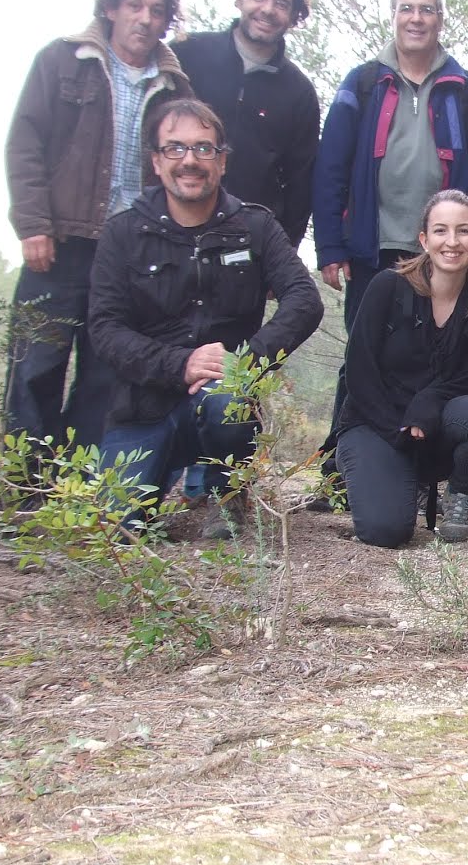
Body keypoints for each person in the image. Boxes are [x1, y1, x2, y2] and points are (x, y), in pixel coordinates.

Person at [88, 100, 324, 538]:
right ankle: (151, 483)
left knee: (227, 403)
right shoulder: (122, 234)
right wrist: (178, 364)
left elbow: (304, 301)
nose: (190, 161)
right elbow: (105, 328)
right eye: (175, 149)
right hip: (144, 403)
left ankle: (226, 493)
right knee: (116, 532)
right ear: (157, 162)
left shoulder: (254, 226)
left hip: (221, 399)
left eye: (203, 149)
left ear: (222, 161)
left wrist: (245, 364)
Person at [310, 0, 468, 509]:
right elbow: (332, 167)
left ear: (441, 19)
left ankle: (417, 465)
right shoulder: (365, 82)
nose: (416, 18)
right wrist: (330, 245)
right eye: (406, 9)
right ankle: (338, 468)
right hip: (375, 246)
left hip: (443, 250)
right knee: (361, 360)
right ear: (393, 16)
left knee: (436, 364)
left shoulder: (467, 88)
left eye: (428, 9)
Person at [5, 0, 191, 450]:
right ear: (110, 7)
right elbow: (25, 144)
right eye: (134, 5)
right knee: (35, 366)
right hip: (61, 242)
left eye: (157, 11)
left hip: (133, 253)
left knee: (106, 375)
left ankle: (80, 490)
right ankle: (25, 488)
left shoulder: (174, 88)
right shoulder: (64, 60)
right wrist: (33, 225)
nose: (145, 19)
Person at [332, 190, 468, 548]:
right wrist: (396, 428)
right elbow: (358, 373)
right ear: (423, 239)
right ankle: (378, 474)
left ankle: (460, 496)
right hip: (372, 422)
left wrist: (428, 402)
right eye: (441, 231)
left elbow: (463, 380)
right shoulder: (387, 287)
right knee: (386, 531)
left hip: (434, 423)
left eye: (463, 231)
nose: (452, 242)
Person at [174, 0, 320, 250]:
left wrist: (282, 252)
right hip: (168, 232)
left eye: (281, 3)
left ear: (293, 16)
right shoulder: (186, 55)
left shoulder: (299, 92)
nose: (267, 9)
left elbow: (300, 184)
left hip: (245, 247)